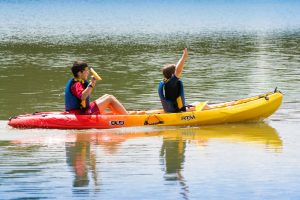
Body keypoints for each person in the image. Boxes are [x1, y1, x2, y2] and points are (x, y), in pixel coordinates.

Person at [158, 48, 188, 113]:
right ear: (172, 74)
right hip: (176, 110)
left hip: (172, 108)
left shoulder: (167, 82)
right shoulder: (172, 82)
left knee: (196, 104)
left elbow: (177, 69)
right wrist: (184, 57)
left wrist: (183, 56)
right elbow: (178, 70)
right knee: (205, 106)